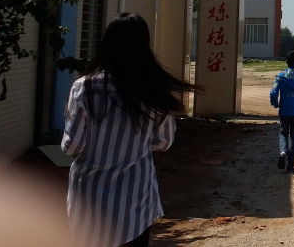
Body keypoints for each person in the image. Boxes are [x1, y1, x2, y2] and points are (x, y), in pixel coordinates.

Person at [62, 12, 200, 247]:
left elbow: (72, 145)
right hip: (136, 197)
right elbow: (164, 142)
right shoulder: (153, 90)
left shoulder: (83, 87)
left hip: (88, 196)